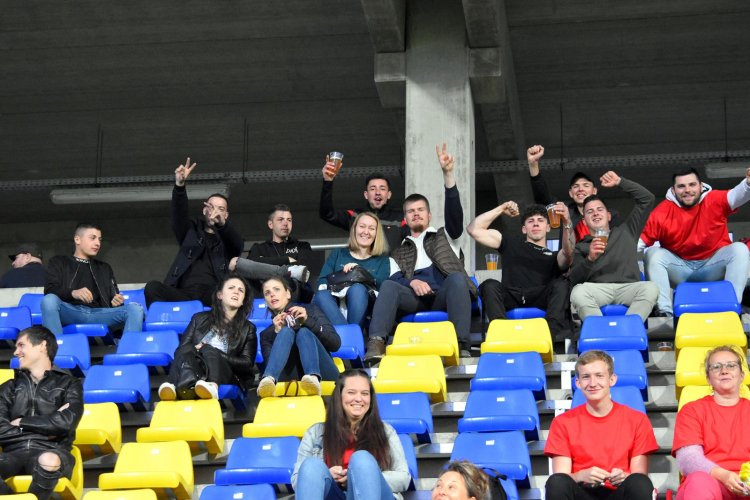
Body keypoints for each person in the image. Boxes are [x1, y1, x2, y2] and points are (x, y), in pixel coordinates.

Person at [364, 143, 477, 364]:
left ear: (429, 215)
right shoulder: (398, 250)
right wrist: (412, 283)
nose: (416, 214)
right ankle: (376, 344)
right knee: (388, 286)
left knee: (456, 278)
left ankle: (460, 347)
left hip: (445, 295)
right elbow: (395, 279)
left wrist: (448, 175)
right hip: (415, 299)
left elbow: (455, 216)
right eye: (411, 211)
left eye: (420, 210)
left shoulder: (446, 236)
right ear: (405, 218)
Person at [544, 350, 657, 500]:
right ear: (578, 383)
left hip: (619, 493)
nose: (592, 383)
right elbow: (561, 476)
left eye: (599, 376)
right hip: (581, 492)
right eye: (586, 377)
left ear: (612, 379)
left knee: (639, 482)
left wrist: (624, 476)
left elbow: (639, 475)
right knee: (556, 482)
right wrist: (581, 475)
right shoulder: (562, 422)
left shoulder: (637, 420)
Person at [640, 167, 750, 317]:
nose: (687, 190)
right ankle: (664, 312)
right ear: (673, 191)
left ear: (700, 186)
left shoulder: (714, 200)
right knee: (652, 253)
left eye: (692, 185)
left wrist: (747, 184)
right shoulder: (661, 212)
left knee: (740, 249)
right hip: (680, 270)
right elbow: (636, 244)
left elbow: (737, 195)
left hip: (713, 267)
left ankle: (731, 308)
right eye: (681, 186)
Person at [292, 369, 411, 500]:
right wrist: (326, 475)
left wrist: (358, 478)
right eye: (351, 392)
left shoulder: (386, 431)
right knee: (311, 466)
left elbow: (404, 478)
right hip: (334, 494)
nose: (359, 399)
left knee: (361, 460)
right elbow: (298, 481)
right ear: (339, 396)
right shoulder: (315, 432)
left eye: (365, 393)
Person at [145, 157, 244, 307]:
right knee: (152, 287)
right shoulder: (190, 231)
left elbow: (238, 245)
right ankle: (164, 324)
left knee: (228, 298)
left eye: (220, 209)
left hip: (213, 293)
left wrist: (222, 224)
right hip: (184, 292)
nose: (215, 212)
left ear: (226, 215)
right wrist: (180, 185)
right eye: (211, 207)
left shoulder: (227, 238)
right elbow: (179, 214)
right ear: (204, 210)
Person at [467, 202, 573, 340]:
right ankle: (502, 336)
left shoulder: (555, 256)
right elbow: (473, 229)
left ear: (548, 228)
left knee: (562, 284)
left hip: (540, 297)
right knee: (489, 285)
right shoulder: (511, 242)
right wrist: (500, 209)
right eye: (531, 221)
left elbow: (568, 253)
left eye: (540, 221)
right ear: (524, 229)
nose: (535, 224)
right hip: (511, 295)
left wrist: (566, 222)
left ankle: (547, 338)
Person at [0, 326, 84, 500]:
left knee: (49, 461)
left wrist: (21, 422)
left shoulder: (69, 383)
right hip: (12, 453)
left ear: (42, 345)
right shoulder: (8, 387)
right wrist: (48, 427)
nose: (16, 352)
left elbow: (66, 422)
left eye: (21, 345)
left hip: (53, 450)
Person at [569, 172, 659, 322]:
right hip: (599, 290)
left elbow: (647, 199)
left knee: (651, 288)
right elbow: (574, 280)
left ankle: (629, 329)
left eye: (600, 209)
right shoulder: (581, 246)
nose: (595, 213)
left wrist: (620, 181)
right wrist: (590, 259)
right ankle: (600, 332)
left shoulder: (627, 231)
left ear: (609, 216)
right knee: (578, 292)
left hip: (629, 287)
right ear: (584, 221)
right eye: (590, 211)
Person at [158, 274, 256, 400]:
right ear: (219, 295)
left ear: (243, 300)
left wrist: (216, 352)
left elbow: (247, 364)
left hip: (227, 374)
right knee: (187, 348)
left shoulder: (248, 328)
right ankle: (171, 386)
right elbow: (180, 351)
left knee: (208, 348)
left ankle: (213, 387)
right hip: (197, 368)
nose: (236, 291)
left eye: (241, 290)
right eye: (231, 287)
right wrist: (196, 349)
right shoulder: (198, 319)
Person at [672, 345, 750, 499]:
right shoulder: (692, 410)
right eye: (716, 367)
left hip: (746, 484)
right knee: (699, 480)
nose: (724, 370)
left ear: (741, 375)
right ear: (708, 378)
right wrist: (723, 475)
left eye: (731, 365)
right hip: (710, 483)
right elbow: (688, 459)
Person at [41, 223, 143, 336]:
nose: (97, 243)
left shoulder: (104, 268)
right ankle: (56, 351)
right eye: (92, 238)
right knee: (49, 300)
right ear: (77, 239)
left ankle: (126, 352)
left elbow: (113, 299)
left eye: (99, 239)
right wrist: (74, 293)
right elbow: (50, 290)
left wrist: (116, 302)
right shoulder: (59, 262)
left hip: (98, 314)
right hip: (70, 312)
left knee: (135, 309)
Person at [257, 276, 341, 398]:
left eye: (276, 289)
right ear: (265, 301)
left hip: (325, 374)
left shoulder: (311, 310)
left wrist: (308, 321)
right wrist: (277, 333)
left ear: (288, 293)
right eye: (267, 293)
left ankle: (313, 377)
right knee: (285, 332)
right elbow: (272, 364)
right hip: (291, 380)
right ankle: (269, 379)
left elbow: (335, 344)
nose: (272, 295)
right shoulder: (267, 334)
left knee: (304, 332)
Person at [527, 145, 620, 243]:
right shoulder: (566, 212)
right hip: (570, 258)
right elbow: (542, 197)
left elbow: (616, 243)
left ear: (594, 191)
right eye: (576, 186)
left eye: (586, 185)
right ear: (571, 193)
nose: (580, 189)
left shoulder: (609, 215)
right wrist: (533, 164)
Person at [314, 212, 391, 328]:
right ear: (354, 229)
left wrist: (360, 271)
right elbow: (322, 282)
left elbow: (382, 285)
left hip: (367, 309)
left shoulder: (382, 260)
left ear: (376, 234)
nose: (366, 232)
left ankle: (347, 338)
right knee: (321, 295)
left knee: (357, 289)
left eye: (371, 228)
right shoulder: (338, 254)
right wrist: (345, 280)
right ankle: (352, 338)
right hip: (336, 304)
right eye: (362, 226)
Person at [319, 156, 407, 252]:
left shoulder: (401, 219)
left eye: (382, 189)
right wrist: (328, 181)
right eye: (373, 189)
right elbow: (327, 214)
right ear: (366, 194)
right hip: (359, 266)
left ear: (389, 194)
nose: (377, 192)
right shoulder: (355, 215)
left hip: (390, 266)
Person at [231, 204, 314, 302]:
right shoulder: (259, 247)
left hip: (291, 290)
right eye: (280, 219)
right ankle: (287, 271)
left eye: (289, 220)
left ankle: (285, 273)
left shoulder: (302, 246)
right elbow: (251, 264)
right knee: (235, 262)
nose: (285, 223)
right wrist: (286, 260)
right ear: (270, 224)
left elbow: (303, 267)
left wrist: (264, 263)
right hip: (263, 290)